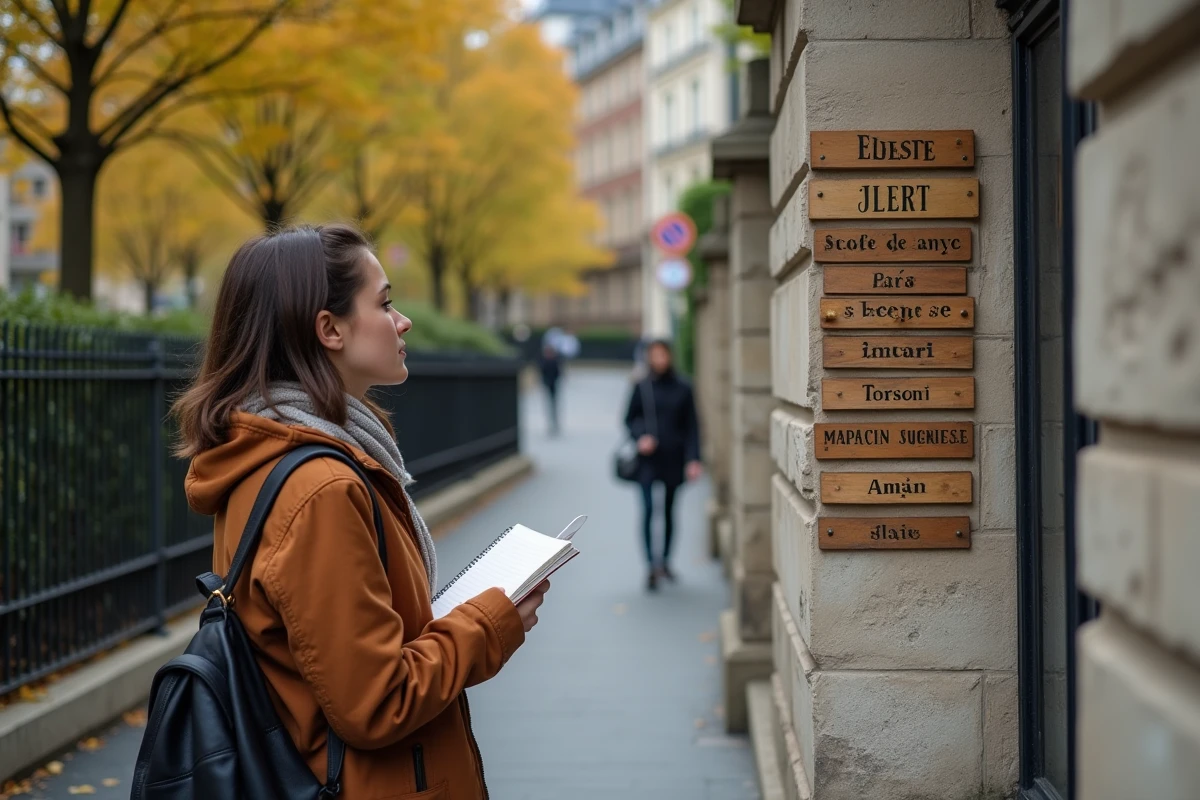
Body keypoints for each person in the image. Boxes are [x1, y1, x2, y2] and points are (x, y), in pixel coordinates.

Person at [172, 223, 549, 799]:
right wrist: (491, 622)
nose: (403, 322)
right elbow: (376, 702)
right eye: (386, 302)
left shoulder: (276, 453)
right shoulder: (319, 487)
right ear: (329, 329)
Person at [623, 338, 702, 591]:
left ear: (670, 356)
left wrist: (693, 459)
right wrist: (640, 437)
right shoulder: (641, 386)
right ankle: (650, 565)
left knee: (668, 511)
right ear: (648, 358)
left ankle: (665, 561)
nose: (659, 359)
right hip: (647, 459)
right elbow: (629, 418)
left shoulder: (683, 387)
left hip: (674, 458)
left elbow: (692, 427)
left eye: (663, 355)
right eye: (654, 355)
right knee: (647, 510)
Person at [538, 342, 563, 436]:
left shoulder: (555, 361)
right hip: (547, 384)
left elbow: (558, 373)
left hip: (553, 385)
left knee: (554, 404)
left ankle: (555, 423)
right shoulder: (544, 360)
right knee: (549, 405)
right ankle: (551, 423)